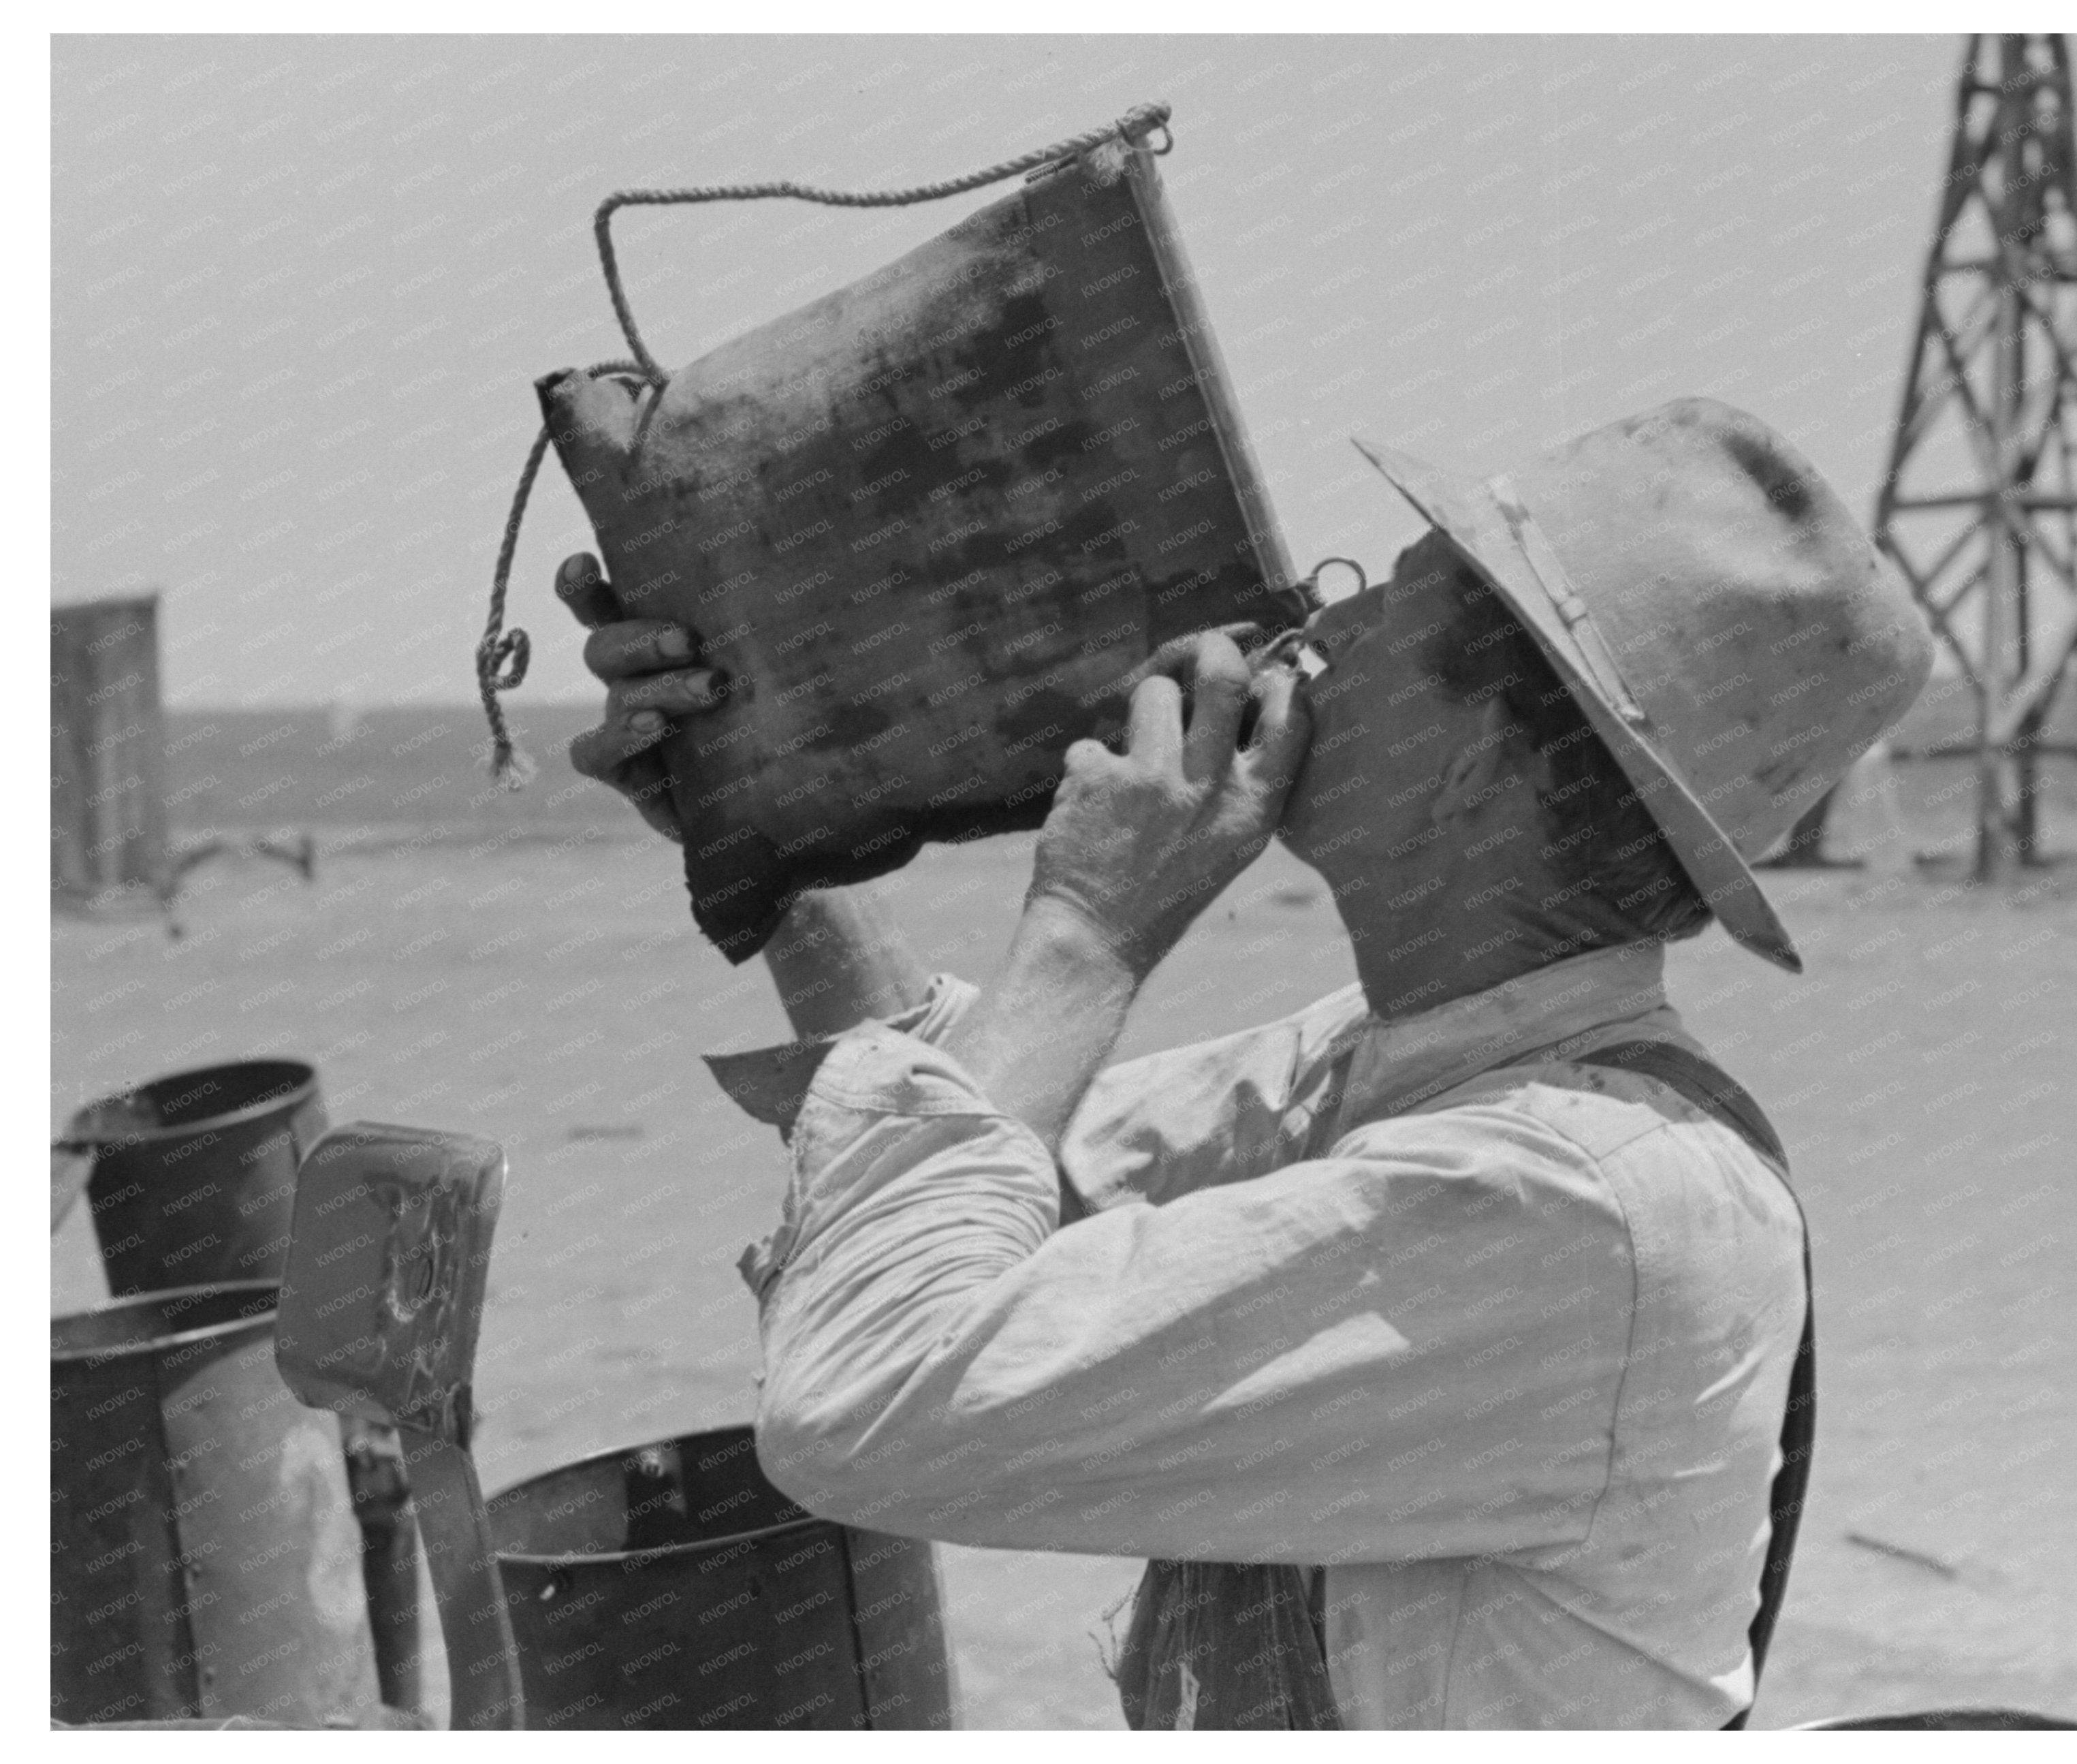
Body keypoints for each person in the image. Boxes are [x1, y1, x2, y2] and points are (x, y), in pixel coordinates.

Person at [561, 398, 1933, 1729]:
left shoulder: (1575, 1194)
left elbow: (866, 1396)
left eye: (1383, 602)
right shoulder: (1395, 1065)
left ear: (1485, 767)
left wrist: (1095, 927)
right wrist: (773, 833)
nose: (1309, 625)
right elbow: (971, 1165)